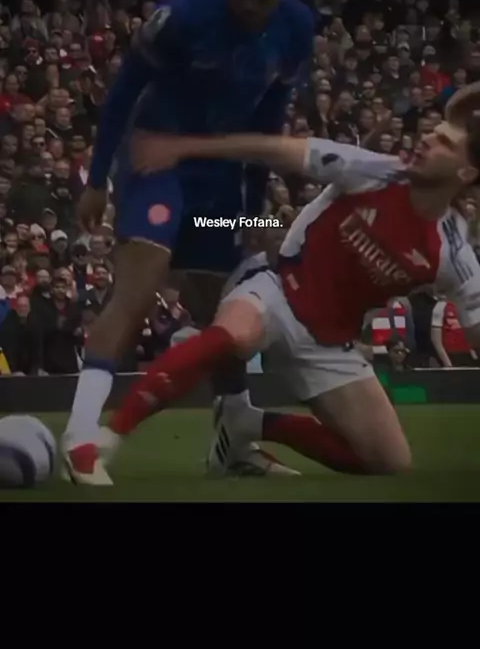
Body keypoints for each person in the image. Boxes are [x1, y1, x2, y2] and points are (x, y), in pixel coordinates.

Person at [98, 84, 480, 480]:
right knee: (232, 327)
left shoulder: (449, 249)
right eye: (431, 134)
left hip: (326, 337)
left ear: (466, 173)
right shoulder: (360, 176)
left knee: (390, 461)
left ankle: (243, 425)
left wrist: (253, 222)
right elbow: (265, 163)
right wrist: (188, 162)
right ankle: (112, 436)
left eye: (443, 143)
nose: (425, 140)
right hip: (271, 284)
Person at [61, 0, 314, 485]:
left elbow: (268, 122)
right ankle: (80, 434)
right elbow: (124, 91)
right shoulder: (184, 17)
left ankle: (234, 443)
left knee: (224, 305)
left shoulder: (297, 28)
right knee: (139, 286)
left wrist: (251, 213)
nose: (249, 5)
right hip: (157, 161)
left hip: (221, 182)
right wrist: (99, 179)